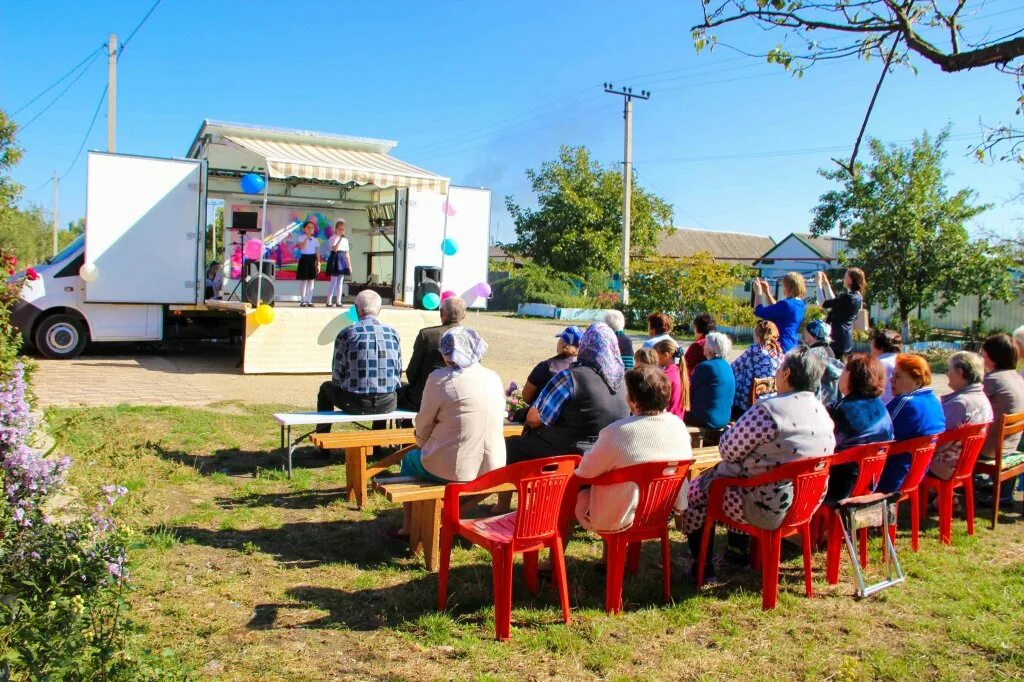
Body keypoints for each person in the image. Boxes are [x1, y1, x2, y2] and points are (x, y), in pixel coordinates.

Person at [678, 346, 836, 580]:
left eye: (780, 367)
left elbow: (727, 449)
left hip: (763, 506)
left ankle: (703, 566)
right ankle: (737, 552)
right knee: (735, 477)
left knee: (698, 490)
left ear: (787, 374)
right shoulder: (821, 411)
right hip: (805, 503)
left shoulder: (770, 410)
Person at [496, 323, 630, 514]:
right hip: (602, 457)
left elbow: (534, 419)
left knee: (504, 448)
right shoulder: (623, 381)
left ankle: (471, 501)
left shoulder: (571, 377)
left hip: (562, 456)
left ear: (587, 346)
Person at [392, 327, 506, 536]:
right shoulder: (493, 377)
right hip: (493, 467)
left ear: (445, 353)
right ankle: (446, 515)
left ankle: (409, 527)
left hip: (453, 468)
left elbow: (423, 423)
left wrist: (422, 443)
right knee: (435, 457)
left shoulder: (440, 378)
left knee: (410, 460)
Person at [574, 366, 693, 533]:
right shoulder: (679, 426)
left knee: (579, 487)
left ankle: (556, 544)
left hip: (621, 517)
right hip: (660, 511)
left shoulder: (618, 432)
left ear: (633, 400)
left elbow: (586, 471)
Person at [316, 290, 401, 432]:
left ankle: (322, 442)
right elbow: (397, 372)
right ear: (379, 310)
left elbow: (337, 375)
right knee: (386, 388)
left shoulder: (346, 333)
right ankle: (377, 444)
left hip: (354, 402)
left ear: (356, 309)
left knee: (326, 389)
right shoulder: (393, 334)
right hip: (387, 403)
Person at [823, 353, 894, 506]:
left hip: (840, 488)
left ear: (850, 375)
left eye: (843, 371)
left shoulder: (839, 410)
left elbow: (820, 447)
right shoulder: (881, 407)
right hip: (869, 483)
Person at [877, 353, 945, 493]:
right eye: (892, 375)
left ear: (917, 381)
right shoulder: (934, 402)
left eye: (898, 376)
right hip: (915, 475)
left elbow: (878, 435)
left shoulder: (907, 403)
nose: (891, 380)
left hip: (890, 477)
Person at [929, 351, 993, 480]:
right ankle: (941, 496)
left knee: (908, 456)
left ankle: (930, 495)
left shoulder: (960, 403)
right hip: (965, 463)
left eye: (949, 370)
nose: (947, 374)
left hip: (946, 466)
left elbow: (938, 439)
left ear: (960, 372)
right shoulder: (982, 398)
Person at [397, 295, 466, 412]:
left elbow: (411, 372)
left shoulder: (427, 335)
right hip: (459, 398)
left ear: (441, 313)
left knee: (393, 395)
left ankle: (404, 426)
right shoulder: (470, 337)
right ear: (464, 315)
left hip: (425, 399)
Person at [978, 333, 1024, 502]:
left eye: (983, 351)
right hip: (1010, 445)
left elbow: (972, 405)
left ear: (990, 355)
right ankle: (1003, 494)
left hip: (990, 451)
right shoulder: (1016, 377)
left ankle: (941, 493)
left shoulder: (993, 380)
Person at [730, 320, 784, 417]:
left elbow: (733, 368)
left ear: (758, 336)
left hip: (749, 400)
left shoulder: (756, 349)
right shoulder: (779, 352)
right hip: (769, 396)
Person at [684, 332, 735, 431]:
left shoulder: (705, 366)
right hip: (724, 418)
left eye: (706, 343)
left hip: (706, 419)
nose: (704, 346)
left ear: (711, 349)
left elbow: (688, 390)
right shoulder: (727, 366)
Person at [521, 326, 582, 406]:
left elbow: (526, 397)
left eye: (560, 339)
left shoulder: (545, 366)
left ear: (563, 343)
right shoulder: (582, 368)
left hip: (540, 415)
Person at [816, 268, 866, 359]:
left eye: (845, 276)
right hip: (845, 337)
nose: (844, 278)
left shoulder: (848, 297)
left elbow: (822, 304)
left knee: (834, 366)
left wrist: (818, 284)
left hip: (837, 338)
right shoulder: (857, 297)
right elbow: (835, 302)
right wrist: (826, 284)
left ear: (850, 280)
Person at [753, 272, 807, 352]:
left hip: (780, 345)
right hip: (792, 344)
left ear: (788, 287)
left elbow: (759, 311)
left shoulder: (786, 304)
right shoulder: (801, 304)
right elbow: (778, 308)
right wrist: (767, 293)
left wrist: (758, 292)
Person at [802, 319, 843, 405]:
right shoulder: (829, 350)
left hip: (819, 395)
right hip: (831, 394)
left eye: (807, 331)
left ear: (813, 335)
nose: (804, 333)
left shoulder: (813, 353)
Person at [653, 338, 689, 420]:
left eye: (656, 355)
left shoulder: (665, 376)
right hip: (678, 420)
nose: (654, 359)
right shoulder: (679, 371)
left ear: (666, 355)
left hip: (666, 422)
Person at [870, 329, 903, 405]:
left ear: (880, 348)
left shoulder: (877, 364)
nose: (871, 351)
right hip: (902, 407)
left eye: (872, 347)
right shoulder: (903, 361)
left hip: (884, 409)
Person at [325, 219, 351, 308]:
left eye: (343, 229)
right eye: (339, 229)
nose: (341, 231)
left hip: (342, 259)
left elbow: (347, 253)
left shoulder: (346, 240)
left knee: (340, 282)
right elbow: (335, 249)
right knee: (333, 281)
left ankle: (338, 301)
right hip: (335, 258)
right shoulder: (332, 238)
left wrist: (349, 265)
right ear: (336, 229)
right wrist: (340, 239)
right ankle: (329, 301)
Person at [295, 220, 320, 307]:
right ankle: (303, 300)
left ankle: (309, 300)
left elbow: (317, 252)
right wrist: (307, 237)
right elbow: (301, 247)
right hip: (304, 258)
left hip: (312, 259)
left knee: (311, 280)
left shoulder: (315, 240)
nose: (310, 229)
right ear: (304, 229)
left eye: (312, 228)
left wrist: (319, 263)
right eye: (308, 227)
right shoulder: (301, 237)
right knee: (304, 280)